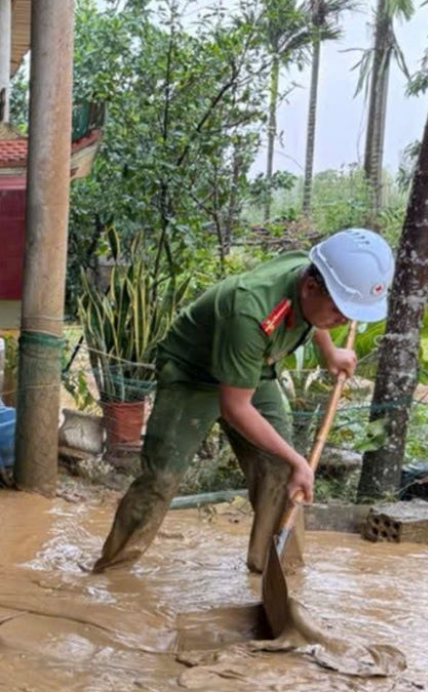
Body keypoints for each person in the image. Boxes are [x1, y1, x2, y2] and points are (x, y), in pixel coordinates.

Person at [93, 229, 394, 575]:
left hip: (253, 368)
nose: (344, 320)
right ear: (310, 286)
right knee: (161, 479)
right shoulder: (251, 309)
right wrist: (300, 459)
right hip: (193, 373)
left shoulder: (312, 277)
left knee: (283, 473)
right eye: (340, 312)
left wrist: (330, 352)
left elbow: (313, 317)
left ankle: (277, 574)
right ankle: (111, 572)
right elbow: (234, 406)